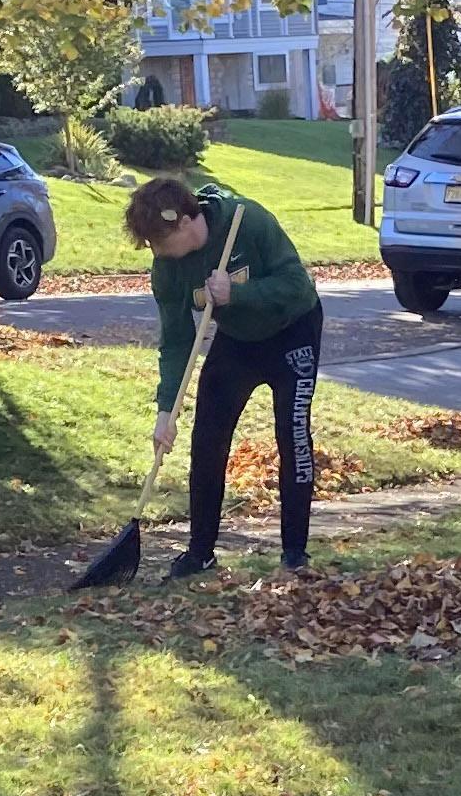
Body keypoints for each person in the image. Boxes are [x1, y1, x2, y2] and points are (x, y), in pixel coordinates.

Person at [129, 172, 322, 576]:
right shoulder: (167, 269)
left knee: (292, 433)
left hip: (293, 330)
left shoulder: (247, 221)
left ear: (184, 221)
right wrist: (166, 411)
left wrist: (238, 294)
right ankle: (200, 552)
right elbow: (178, 339)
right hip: (237, 341)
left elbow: (296, 285)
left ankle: (294, 554)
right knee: (208, 436)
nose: (158, 253)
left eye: (160, 242)